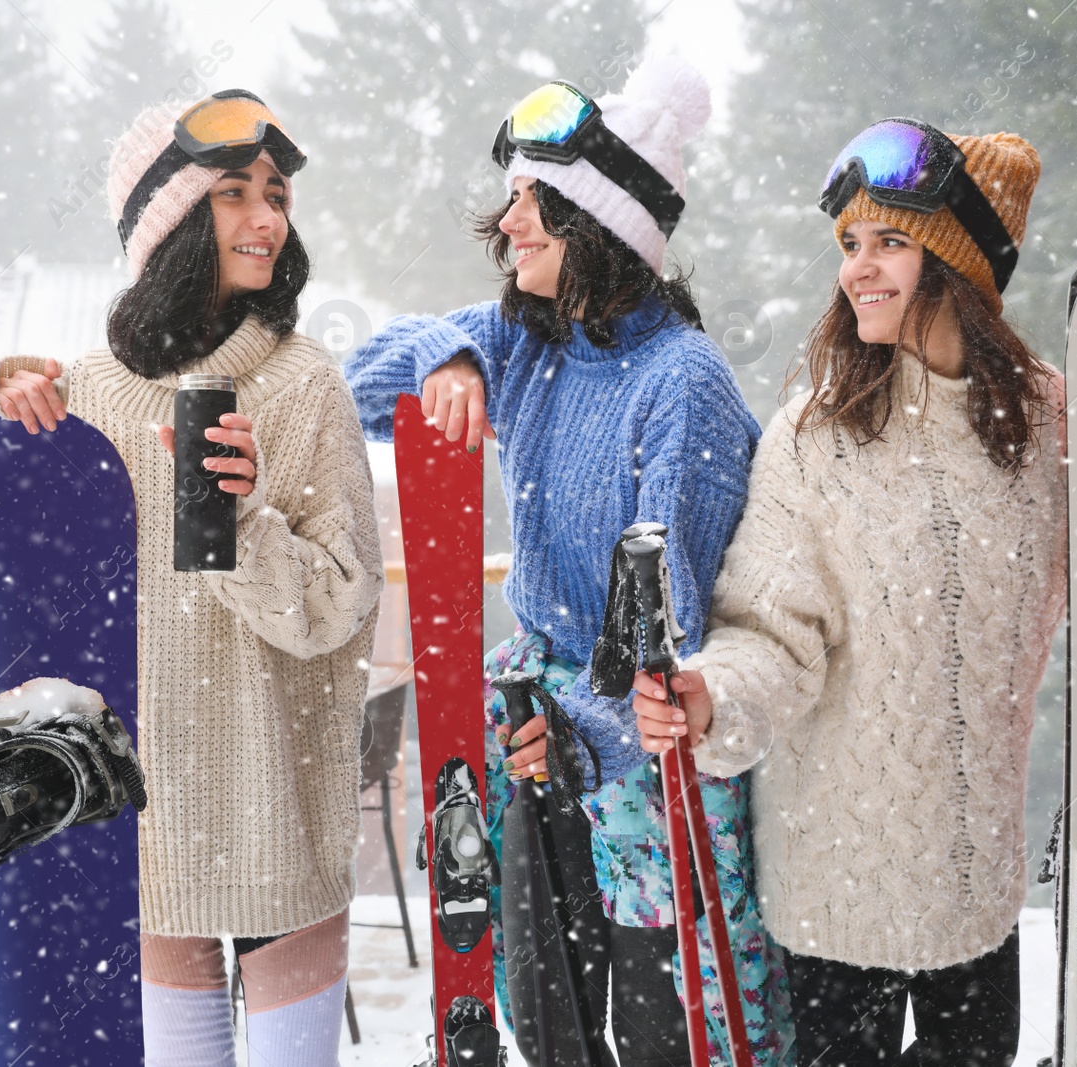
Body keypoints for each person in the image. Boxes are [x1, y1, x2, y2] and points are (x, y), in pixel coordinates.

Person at [633, 120, 1077, 1066]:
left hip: (977, 896)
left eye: (890, 241)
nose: (858, 267)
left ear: (958, 265)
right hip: (834, 894)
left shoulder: (1053, 418)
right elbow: (770, 634)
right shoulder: (815, 439)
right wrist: (711, 695)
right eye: (850, 244)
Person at [345, 58, 792, 1067]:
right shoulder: (530, 339)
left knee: (655, 1032)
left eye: (529, 205)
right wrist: (442, 357)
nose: (506, 225)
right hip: (544, 748)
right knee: (547, 1031)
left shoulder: (682, 386)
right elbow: (359, 385)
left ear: (597, 225)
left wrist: (573, 740)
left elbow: (660, 624)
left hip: (648, 774)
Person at [0, 90, 383, 1067]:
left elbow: (336, 606)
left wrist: (240, 517)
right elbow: (25, 579)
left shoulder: (304, 383)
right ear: (165, 224)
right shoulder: (89, 394)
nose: (265, 218)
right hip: (146, 813)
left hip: (274, 802)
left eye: (276, 193)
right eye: (232, 193)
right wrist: (8, 413)